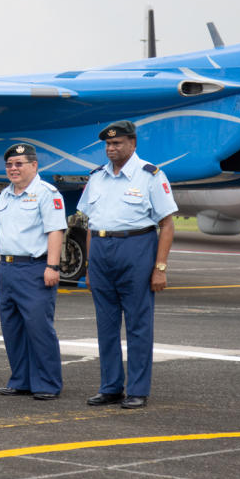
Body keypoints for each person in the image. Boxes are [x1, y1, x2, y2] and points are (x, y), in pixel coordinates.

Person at [78, 120, 176, 410]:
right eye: (108, 144)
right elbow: (90, 224)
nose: (111, 148)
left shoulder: (151, 176)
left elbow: (167, 224)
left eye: (117, 143)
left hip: (136, 249)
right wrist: (88, 265)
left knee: (138, 325)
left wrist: (160, 267)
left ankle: (137, 389)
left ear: (133, 144)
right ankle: (110, 387)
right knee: (106, 325)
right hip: (101, 251)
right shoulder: (96, 177)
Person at [0, 143, 66, 400]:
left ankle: (47, 383)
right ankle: (20, 379)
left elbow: (56, 230)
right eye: (9, 165)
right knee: (12, 327)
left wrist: (52, 266)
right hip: (8, 268)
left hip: (35, 267)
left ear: (34, 166)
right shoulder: (4, 195)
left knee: (38, 327)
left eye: (19, 164)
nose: (13, 169)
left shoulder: (47, 193)